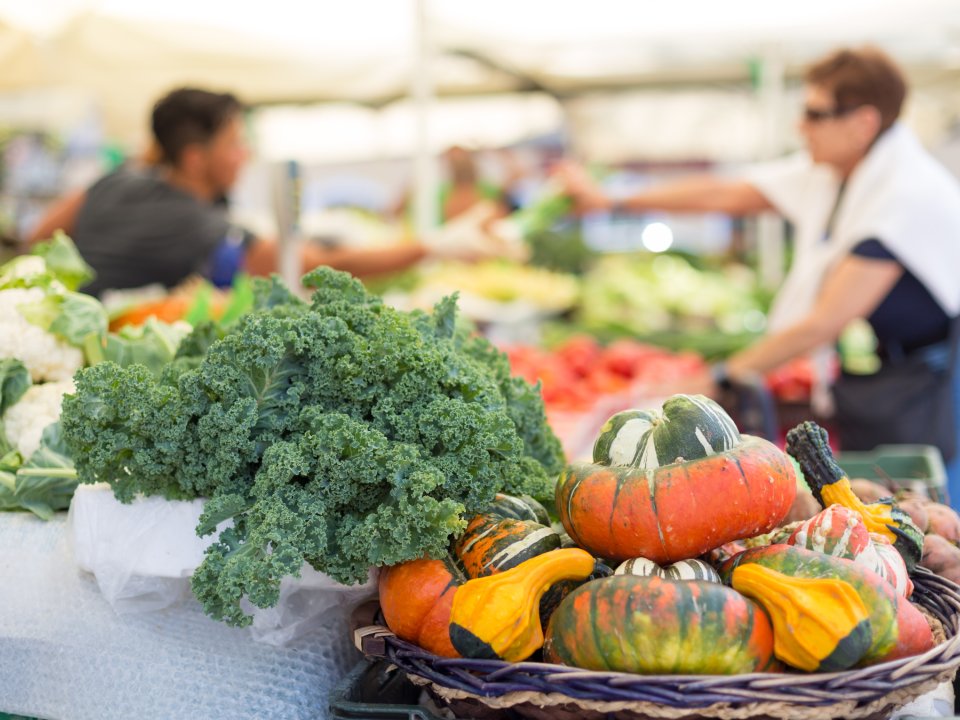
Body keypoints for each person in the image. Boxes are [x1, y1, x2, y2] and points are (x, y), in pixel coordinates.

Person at [557, 46, 960, 493]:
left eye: (815, 113)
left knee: (925, 503)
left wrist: (721, 376)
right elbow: (726, 193)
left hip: (933, 380)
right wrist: (611, 200)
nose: (800, 126)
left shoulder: (902, 197)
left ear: (863, 123)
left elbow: (823, 323)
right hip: (894, 368)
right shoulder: (840, 173)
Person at [27, 88, 464, 296]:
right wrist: (431, 247)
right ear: (195, 159)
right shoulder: (199, 224)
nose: (246, 154)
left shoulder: (113, 180)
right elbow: (312, 266)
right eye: (235, 144)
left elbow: (38, 239)